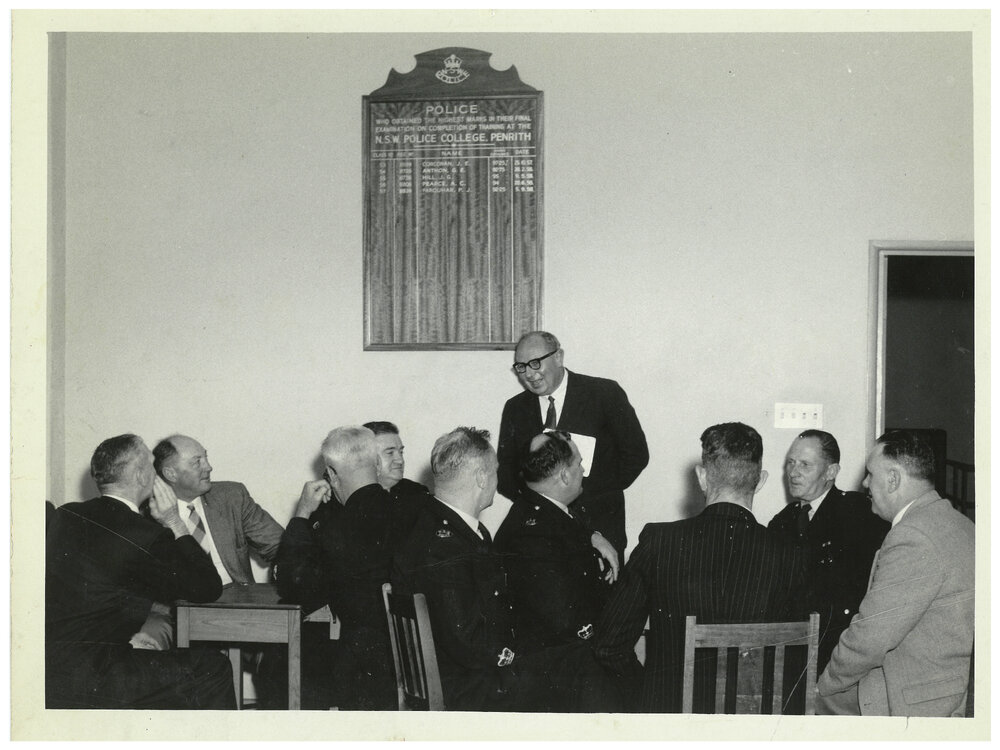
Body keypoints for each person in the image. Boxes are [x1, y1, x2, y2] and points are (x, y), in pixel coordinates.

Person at [393, 427, 618, 712]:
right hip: (471, 689)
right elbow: (468, 642)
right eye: (495, 471)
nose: (497, 480)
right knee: (586, 665)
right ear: (481, 477)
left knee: (576, 659)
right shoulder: (445, 547)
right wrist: (522, 655)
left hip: (470, 677)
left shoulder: (441, 529)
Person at [593, 422, 807, 713]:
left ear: (702, 477)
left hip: (672, 724)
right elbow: (798, 660)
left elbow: (608, 646)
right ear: (761, 481)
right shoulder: (791, 554)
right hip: (754, 727)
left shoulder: (659, 542)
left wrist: (650, 694)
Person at [45, 434, 234, 709]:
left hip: (48, 667)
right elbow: (208, 588)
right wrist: (174, 521)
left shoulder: (66, 514)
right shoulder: (146, 535)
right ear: (141, 475)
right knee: (213, 667)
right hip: (98, 674)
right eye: (151, 464)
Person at [817, 430, 975, 717]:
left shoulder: (913, 535)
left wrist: (821, 686)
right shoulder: (961, 524)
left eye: (870, 474)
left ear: (893, 479)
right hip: (945, 691)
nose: (865, 483)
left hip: (908, 702)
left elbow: (870, 638)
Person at [274, 425, 398, 710]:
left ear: (331, 474)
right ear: (378, 464)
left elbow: (292, 586)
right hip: (412, 664)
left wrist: (302, 513)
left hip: (362, 673)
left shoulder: (333, 530)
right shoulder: (411, 511)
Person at [497, 330, 649, 559]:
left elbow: (636, 455)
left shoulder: (604, 394)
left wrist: (588, 495)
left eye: (536, 363)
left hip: (600, 523)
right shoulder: (515, 408)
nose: (529, 374)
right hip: (539, 531)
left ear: (558, 357)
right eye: (521, 366)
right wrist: (544, 504)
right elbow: (507, 472)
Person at [768, 430, 889, 671]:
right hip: (792, 651)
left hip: (838, 651)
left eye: (805, 464)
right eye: (791, 463)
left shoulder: (857, 513)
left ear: (831, 472)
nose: (793, 472)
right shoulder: (781, 522)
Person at [494, 431, 615, 650]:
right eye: (578, 464)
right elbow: (565, 620)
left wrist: (593, 536)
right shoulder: (532, 537)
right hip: (564, 658)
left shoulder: (539, 510)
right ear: (565, 476)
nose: (583, 470)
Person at [153, 434, 284, 587]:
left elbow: (280, 546)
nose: (209, 467)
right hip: (184, 600)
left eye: (206, 458)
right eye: (197, 462)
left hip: (238, 597)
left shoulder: (232, 497)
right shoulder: (147, 515)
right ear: (171, 474)